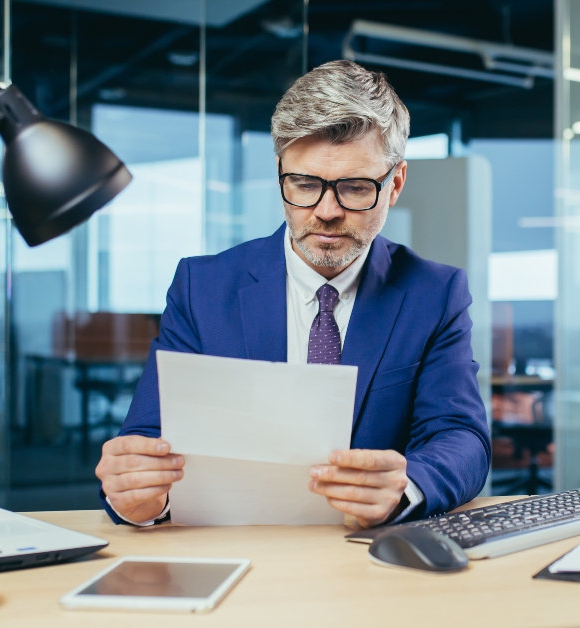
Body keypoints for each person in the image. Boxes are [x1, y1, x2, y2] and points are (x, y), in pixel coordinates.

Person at [95, 60, 490, 528]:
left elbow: (460, 437)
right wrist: (138, 497)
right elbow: (147, 438)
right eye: (304, 184)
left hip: (367, 563)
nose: (325, 211)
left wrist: (407, 486)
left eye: (354, 188)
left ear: (395, 184)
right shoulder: (202, 287)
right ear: (280, 173)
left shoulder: (435, 293)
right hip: (231, 555)